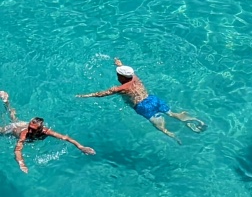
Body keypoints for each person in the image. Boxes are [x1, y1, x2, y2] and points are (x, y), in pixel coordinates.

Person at [76, 58, 205, 144]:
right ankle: (195, 121)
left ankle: (174, 136)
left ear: (120, 76)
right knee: (172, 114)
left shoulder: (120, 88)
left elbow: (100, 94)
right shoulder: (135, 78)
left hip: (143, 107)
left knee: (161, 128)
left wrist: (84, 96)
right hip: (152, 99)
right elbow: (128, 71)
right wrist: (120, 64)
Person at [1, 91, 94, 173]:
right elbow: (18, 150)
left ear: (40, 129)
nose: (29, 131)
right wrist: (21, 163)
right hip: (13, 129)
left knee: (14, 119)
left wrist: (81, 147)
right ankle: (7, 102)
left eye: (33, 130)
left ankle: (7, 102)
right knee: (10, 124)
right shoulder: (24, 133)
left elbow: (66, 138)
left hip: (22, 125)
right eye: (29, 127)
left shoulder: (46, 131)